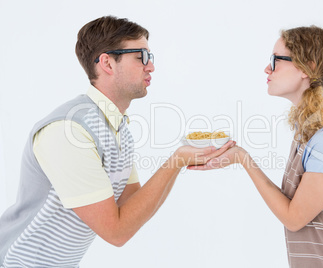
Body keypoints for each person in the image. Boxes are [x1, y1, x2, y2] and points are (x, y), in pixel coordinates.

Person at [0, 15, 234, 267]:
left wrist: (181, 161)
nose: (151, 66)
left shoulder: (117, 127)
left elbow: (130, 206)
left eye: (150, 57)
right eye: (140, 57)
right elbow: (116, 232)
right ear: (107, 63)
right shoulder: (68, 131)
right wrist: (176, 160)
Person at [189, 26, 323, 267]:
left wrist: (244, 159)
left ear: (308, 68)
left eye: (276, 60)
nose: (267, 69)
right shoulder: (312, 130)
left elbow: (294, 218)